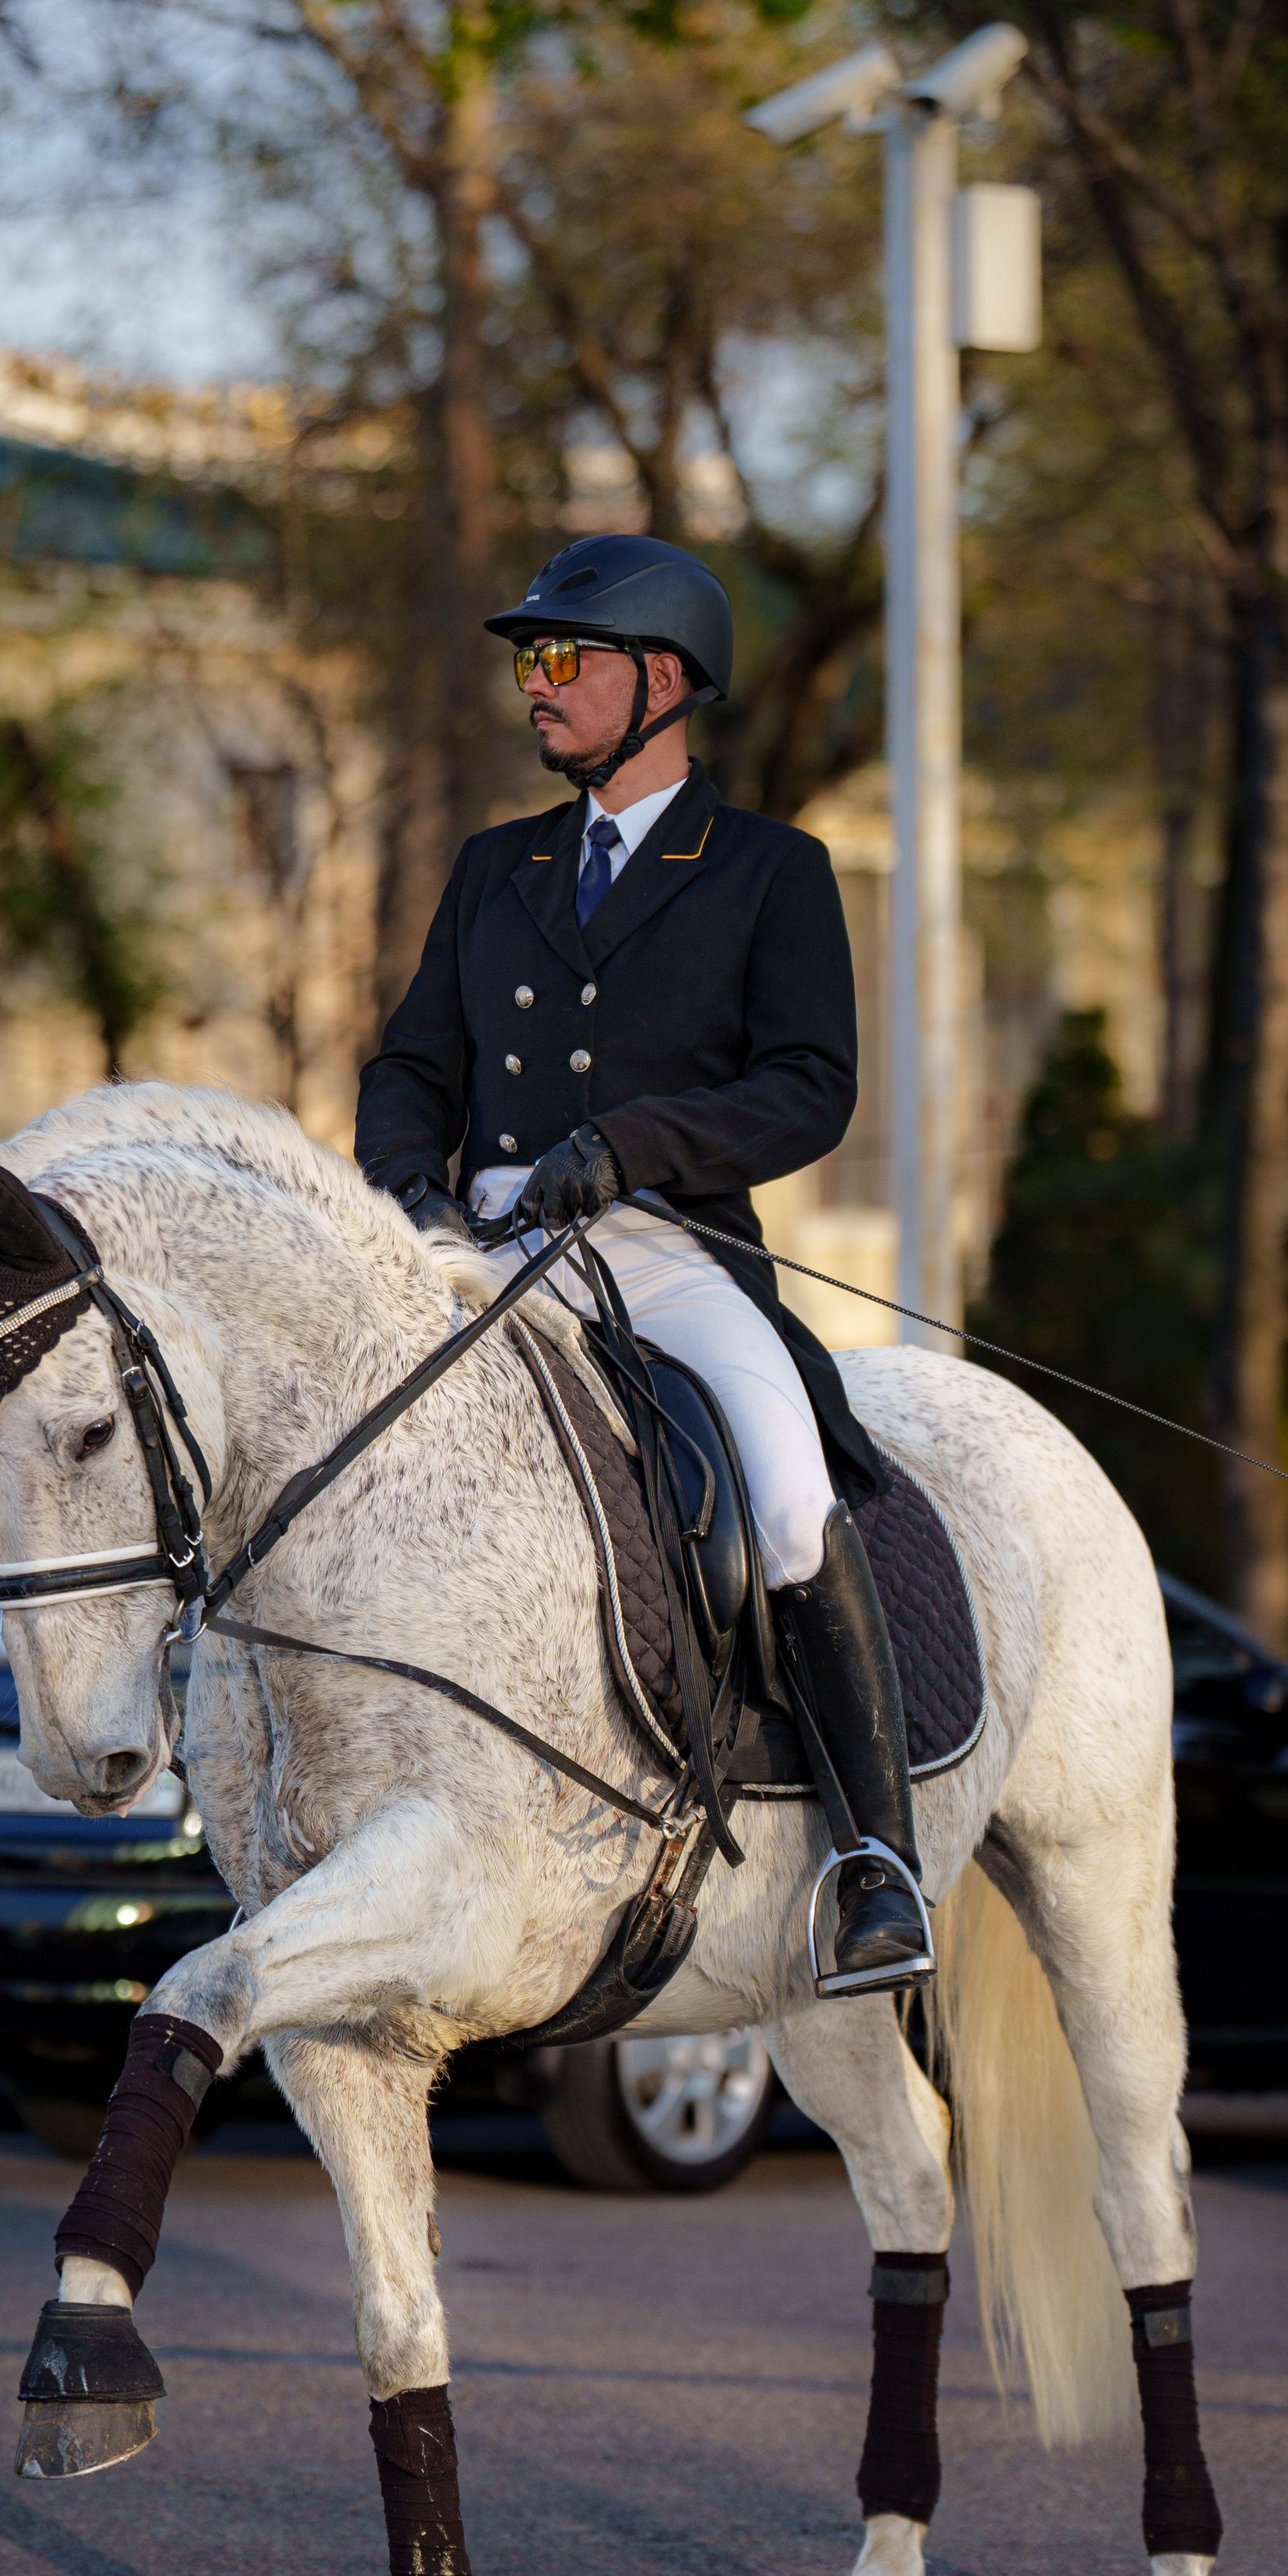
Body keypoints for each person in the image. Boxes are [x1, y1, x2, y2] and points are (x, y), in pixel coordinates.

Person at [353, 533, 929, 1988]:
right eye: (529, 660)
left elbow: (812, 1086)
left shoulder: (767, 873)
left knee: (790, 1496)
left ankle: (876, 1863)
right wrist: (408, 1186)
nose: (536, 686)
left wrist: (637, 1142)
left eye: (566, 659)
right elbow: (413, 1061)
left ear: (661, 683)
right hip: (484, 1243)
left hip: (663, 1242)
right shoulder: (497, 869)